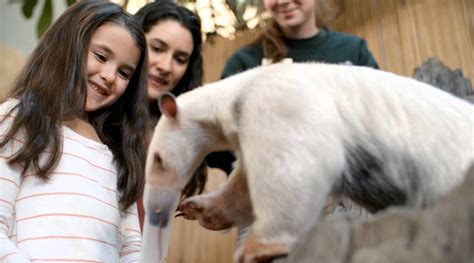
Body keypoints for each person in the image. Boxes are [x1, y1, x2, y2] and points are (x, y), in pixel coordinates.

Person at [0, 1, 149, 263]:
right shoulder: (22, 119)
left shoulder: (116, 150)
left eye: (124, 72)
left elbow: (130, 246)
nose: (109, 75)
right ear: (70, 45)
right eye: (101, 57)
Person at [207, 0, 379, 175]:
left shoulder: (353, 51)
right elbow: (218, 142)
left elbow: (379, 125)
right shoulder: (246, 62)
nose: (282, 2)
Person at [134, 0, 206, 229]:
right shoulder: (89, 115)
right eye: (157, 48)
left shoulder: (180, 131)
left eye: (180, 59)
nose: (166, 66)